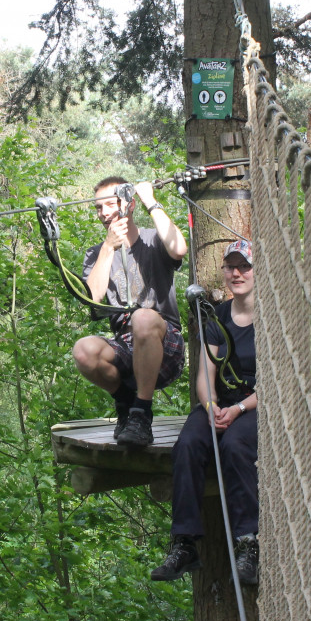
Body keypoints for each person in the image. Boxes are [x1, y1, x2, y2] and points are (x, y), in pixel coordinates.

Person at [151, 238, 259, 585]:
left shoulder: (274, 318)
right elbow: (204, 376)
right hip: (221, 403)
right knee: (189, 443)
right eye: (231, 267)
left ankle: (248, 543)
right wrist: (212, 407)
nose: (237, 273)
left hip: (257, 405)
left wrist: (239, 409)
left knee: (235, 446)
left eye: (244, 266)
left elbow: (276, 382)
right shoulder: (218, 318)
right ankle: (185, 543)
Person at [72, 176, 188, 448]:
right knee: (83, 350)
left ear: (128, 205)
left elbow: (179, 248)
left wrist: (151, 201)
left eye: (109, 205)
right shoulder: (96, 254)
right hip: (127, 346)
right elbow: (93, 298)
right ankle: (126, 402)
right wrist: (109, 248)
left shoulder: (152, 240)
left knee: (143, 317)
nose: (103, 214)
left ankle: (141, 412)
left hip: (165, 344)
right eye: (98, 208)